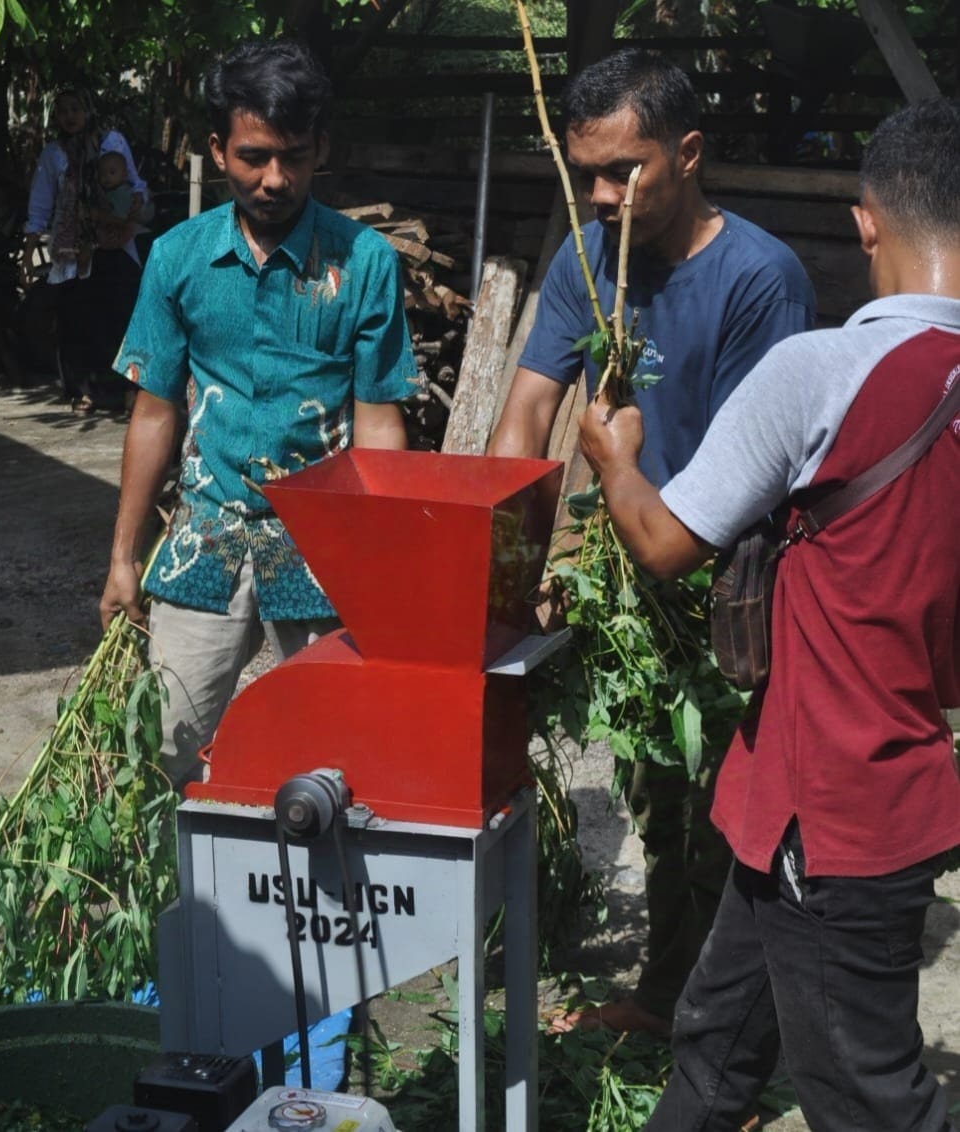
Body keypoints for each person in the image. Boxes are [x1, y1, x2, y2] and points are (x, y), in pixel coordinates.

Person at [578, 96, 960, 1132]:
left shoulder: (824, 371)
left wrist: (616, 459)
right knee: (714, 1049)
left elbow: (664, 545)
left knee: (869, 1096)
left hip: (835, 817)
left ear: (866, 220)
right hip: (846, 788)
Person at [487, 46, 816, 1038]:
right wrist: (509, 569)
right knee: (655, 803)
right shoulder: (587, 257)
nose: (601, 194)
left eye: (622, 171)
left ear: (688, 152)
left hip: (727, 587)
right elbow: (523, 422)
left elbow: (746, 477)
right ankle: (671, 999)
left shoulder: (763, 279)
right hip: (621, 584)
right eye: (586, 172)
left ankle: (737, 1044)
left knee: (731, 823)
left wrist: (618, 471)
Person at [98, 39, 418, 788]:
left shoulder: (364, 262)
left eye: (295, 158)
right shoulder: (177, 259)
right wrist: (123, 556)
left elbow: (378, 420)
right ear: (216, 150)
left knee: (333, 756)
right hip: (204, 534)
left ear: (321, 150)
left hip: (322, 544)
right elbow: (153, 414)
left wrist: (386, 563)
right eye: (253, 157)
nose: (274, 179)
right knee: (163, 745)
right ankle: (181, 897)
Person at [20, 88, 146, 413]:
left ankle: (127, 390)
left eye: (76, 108)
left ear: (88, 109)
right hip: (72, 250)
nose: (70, 117)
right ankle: (84, 391)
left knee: (119, 317)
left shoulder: (111, 143)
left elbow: (135, 185)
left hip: (113, 244)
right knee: (76, 321)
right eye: (62, 111)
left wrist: (132, 208)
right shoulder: (53, 154)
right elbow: (41, 202)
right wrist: (29, 249)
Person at [77, 150, 142, 279]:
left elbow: (122, 220)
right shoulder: (109, 192)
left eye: (112, 172)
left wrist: (98, 215)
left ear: (124, 175)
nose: (106, 177)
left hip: (122, 247)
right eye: (102, 174)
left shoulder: (122, 194)